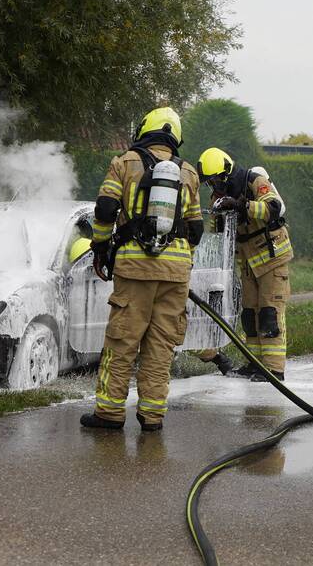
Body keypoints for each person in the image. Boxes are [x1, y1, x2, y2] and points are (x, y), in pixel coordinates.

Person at [81, 107, 203, 432]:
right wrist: (179, 262)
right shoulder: (189, 172)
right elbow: (196, 229)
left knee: (123, 342)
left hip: (135, 268)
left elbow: (106, 208)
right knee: (161, 346)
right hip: (176, 273)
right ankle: (152, 417)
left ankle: (109, 413)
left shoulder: (124, 162)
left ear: (144, 129)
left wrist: (101, 248)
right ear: (176, 137)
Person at [196, 149, 293, 382]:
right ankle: (255, 364)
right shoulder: (218, 196)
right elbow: (217, 232)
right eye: (210, 182)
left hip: (272, 259)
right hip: (248, 264)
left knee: (270, 313)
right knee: (249, 316)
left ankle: (274, 370)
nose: (214, 185)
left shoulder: (253, 181)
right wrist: (218, 216)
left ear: (227, 172)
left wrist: (242, 205)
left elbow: (273, 208)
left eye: (217, 179)